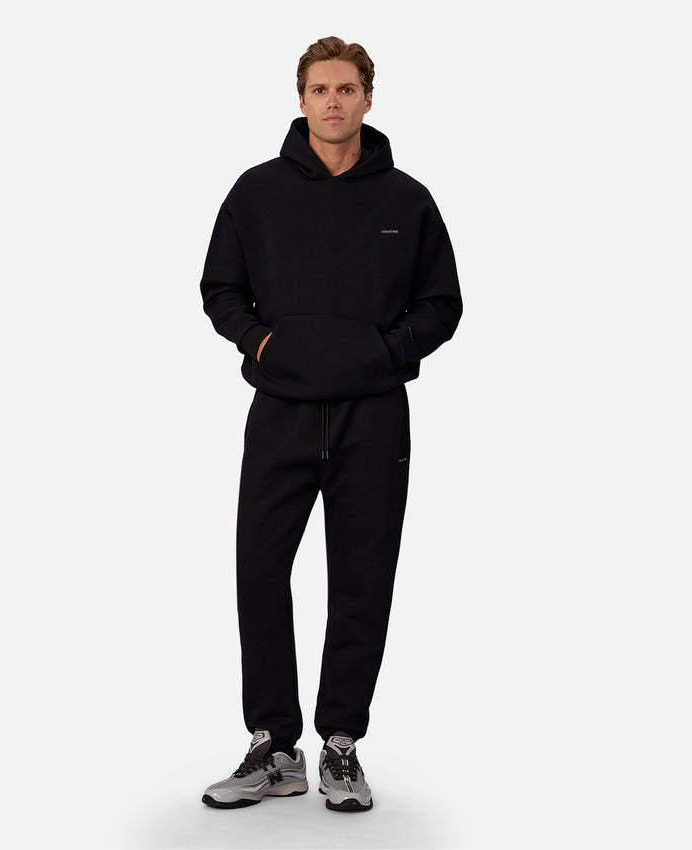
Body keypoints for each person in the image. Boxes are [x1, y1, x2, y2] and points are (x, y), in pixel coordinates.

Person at [198, 35, 463, 812]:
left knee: (361, 578)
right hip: (280, 410)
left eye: (347, 89)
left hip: (373, 417)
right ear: (302, 99)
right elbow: (220, 288)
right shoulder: (257, 192)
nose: (333, 102)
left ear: (368, 99)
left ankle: (340, 744)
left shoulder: (407, 201)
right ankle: (275, 747)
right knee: (259, 573)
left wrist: (385, 354)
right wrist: (263, 343)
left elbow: (441, 304)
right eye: (320, 89)